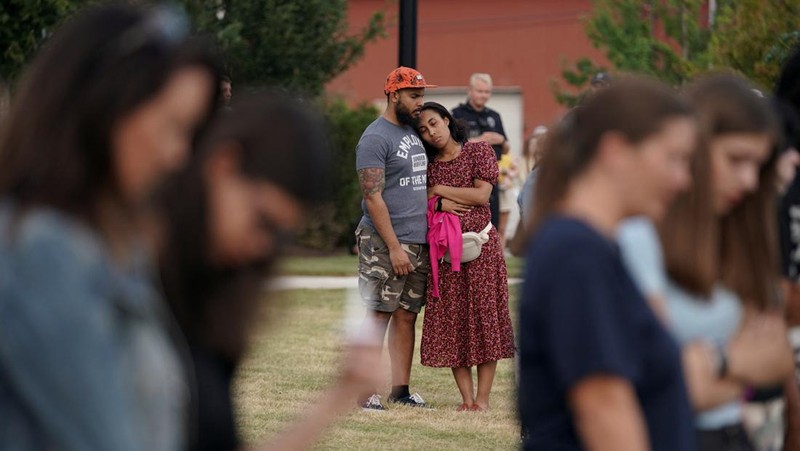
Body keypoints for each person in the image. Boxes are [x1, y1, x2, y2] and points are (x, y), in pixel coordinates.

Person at [0, 4, 219, 450]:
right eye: (170, 127)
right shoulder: (43, 250)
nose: (177, 155)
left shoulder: (113, 245)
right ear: (104, 107)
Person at [158, 92, 382, 451]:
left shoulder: (210, 303)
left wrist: (337, 398)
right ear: (224, 164)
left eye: (279, 235)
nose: (263, 247)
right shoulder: (127, 283)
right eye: (262, 220)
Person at [517, 77, 698, 450]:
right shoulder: (575, 253)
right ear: (616, 150)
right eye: (672, 159)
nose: (683, 180)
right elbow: (603, 406)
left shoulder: (595, 245)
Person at [618, 74, 793, 451]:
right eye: (736, 160)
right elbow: (653, 387)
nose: (748, 181)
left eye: (758, 167)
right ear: (690, 149)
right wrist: (734, 359)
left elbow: (777, 358)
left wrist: (707, 367)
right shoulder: (639, 237)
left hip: (737, 435)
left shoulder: (741, 238)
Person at [415, 101, 515, 411]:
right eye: (423, 129)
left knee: (486, 324)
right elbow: (420, 205)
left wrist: (438, 190)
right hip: (446, 258)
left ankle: (483, 400)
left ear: (446, 120)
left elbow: (481, 195)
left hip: (482, 251)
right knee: (454, 324)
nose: (431, 132)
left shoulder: (478, 151)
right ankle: (467, 400)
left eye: (434, 123)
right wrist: (438, 203)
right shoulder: (427, 165)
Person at [354, 66, 436, 410]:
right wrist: (393, 246)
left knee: (407, 315)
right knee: (378, 313)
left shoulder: (414, 132)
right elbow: (373, 196)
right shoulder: (375, 138)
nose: (420, 103)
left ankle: (399, 390)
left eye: (421, 95)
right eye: (414, 96)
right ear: (393, 95)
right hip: (385, 242)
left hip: (417, 241)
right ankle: (364, 392)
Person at [452, 73, 508, 229]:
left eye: (487, 92)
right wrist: (481, 139)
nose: (484, 95)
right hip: (467, 178)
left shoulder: (494, 116)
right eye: (480, 91)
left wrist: (501, 140)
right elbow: (453, 145)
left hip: (492, 177)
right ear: (469, 90)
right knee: (470, 223)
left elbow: (507, 148)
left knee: (493, 223)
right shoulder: (457, 114)